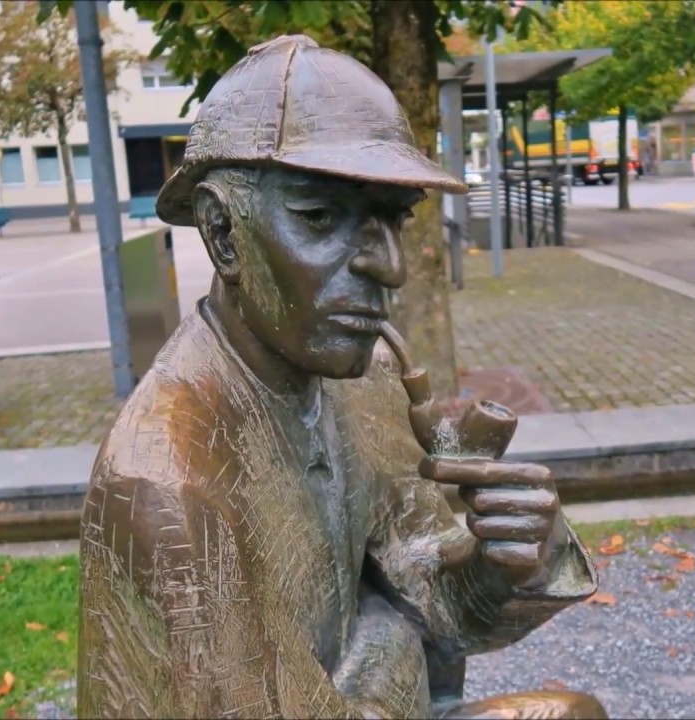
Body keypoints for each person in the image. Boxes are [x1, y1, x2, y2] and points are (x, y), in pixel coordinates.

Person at [77, 35, 605, 720]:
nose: (387, 266)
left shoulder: (364, 378)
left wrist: (505, 560)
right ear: (223, 233)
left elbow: (428, 585)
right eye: (320, 217)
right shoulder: (169, 486)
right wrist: (392, 652)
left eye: (392, 218)